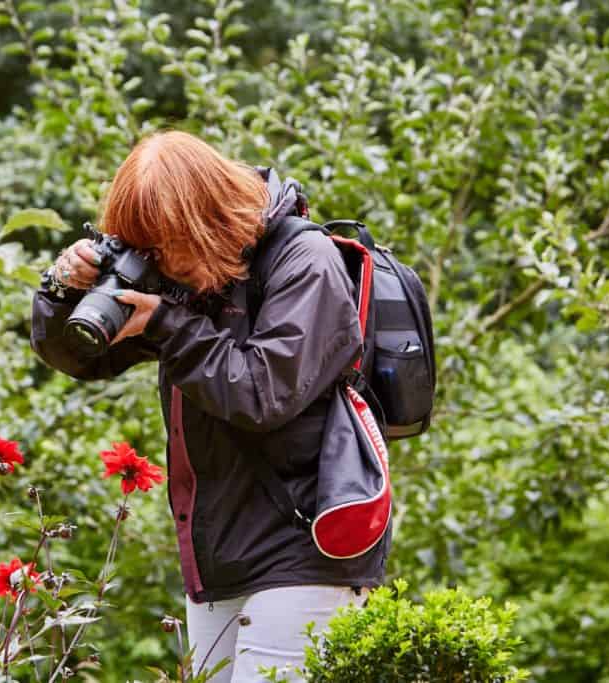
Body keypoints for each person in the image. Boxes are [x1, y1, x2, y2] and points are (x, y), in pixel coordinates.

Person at [29, 130, 390, 682]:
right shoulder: (185, 277)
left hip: (306, 547)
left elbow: (261, 393)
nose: (164, 264)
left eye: (169, 242)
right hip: (220, 556)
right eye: (148, 249)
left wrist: (166, 322)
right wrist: (63, 289)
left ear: (209, 218)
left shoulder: (305, 262)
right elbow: (83, 360)